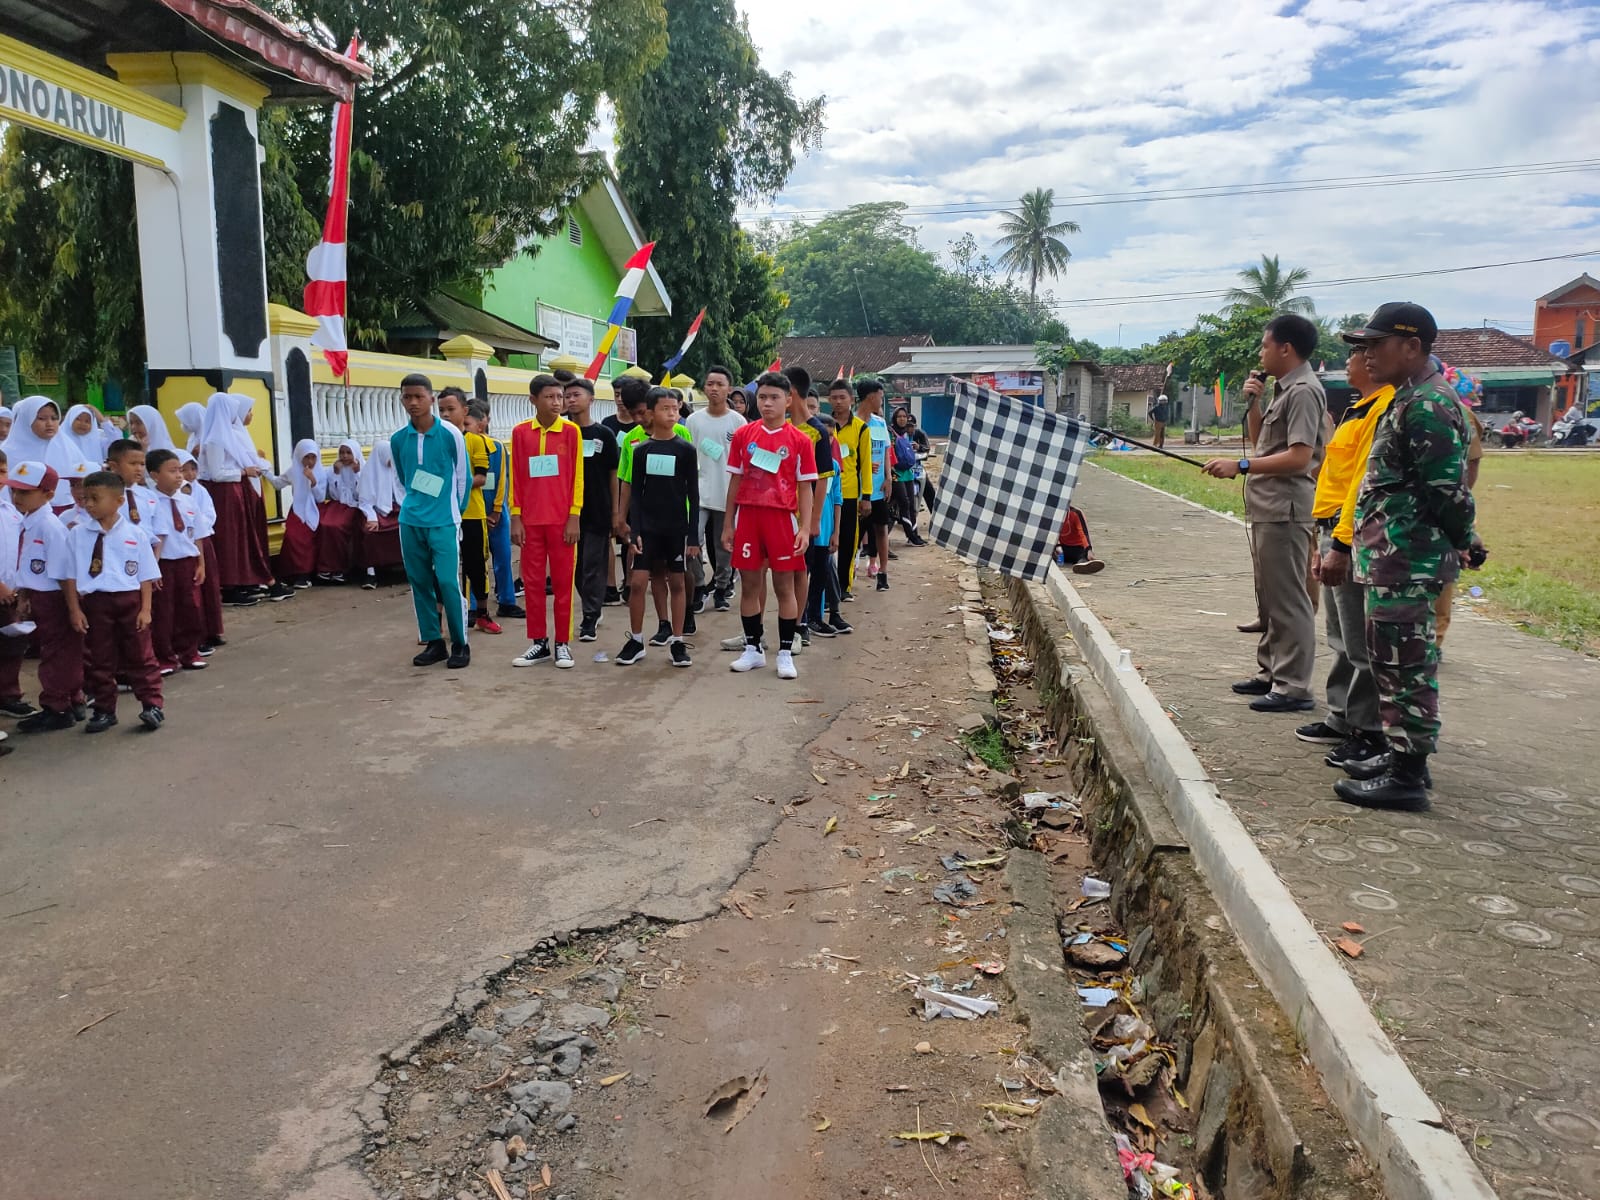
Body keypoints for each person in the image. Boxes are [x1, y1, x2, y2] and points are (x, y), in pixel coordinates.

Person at [1333, 303, 1475, 811]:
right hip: (1392, 558)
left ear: (1411, 347)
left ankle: (1408, 777)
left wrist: (1465, 537)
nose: (1366, 355)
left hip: (1409, 559)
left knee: (1406, 665)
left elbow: (1447, 490)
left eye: (1375, 345)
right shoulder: (1407, 398)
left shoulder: (1428, 405)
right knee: (1389, 662)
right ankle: (1399, 757)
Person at [1204, 313, 1328, 714]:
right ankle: (1270, 671)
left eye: (1265, 345)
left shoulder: (1305, 391)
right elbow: (1263, 445)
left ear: (1285, 349)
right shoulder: (1283, 390)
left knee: (1290, 599)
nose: (1261, 352)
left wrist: (1239, 467)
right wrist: (1254, 403)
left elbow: (1298, 457)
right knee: (1270, 597)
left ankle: (1293, 686)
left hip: (1287, 509)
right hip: (1268, 507)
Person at [1297, 350, 1396, 771]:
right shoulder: (1358, 410)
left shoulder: (1384, 408)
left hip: (1351, 534)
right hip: (1332, 528)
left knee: (1361, 642)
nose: (1353, 361)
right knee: (1340, 635)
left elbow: (1362, 484)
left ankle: (1367, 730)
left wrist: (1339, 542)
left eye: (1357, 354)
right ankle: (1341, 715)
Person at [722, 371, 816, 679]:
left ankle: (786, 653)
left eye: (774, 397)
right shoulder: (744, 435)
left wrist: (803, 528)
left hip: (781, 518)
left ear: (788, 400)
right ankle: (753, 649)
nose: (767, 403)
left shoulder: (800, 441)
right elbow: (735, 480)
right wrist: (728, 524)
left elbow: (805, 487)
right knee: (750, 585)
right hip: (748, 516)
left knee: (783, 586)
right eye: (762, 397)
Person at [61, 469, 165, 732]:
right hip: (95, 603)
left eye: (96, 498)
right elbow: (70, 575)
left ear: (119, 501)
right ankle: (105, 709)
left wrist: (146, 609)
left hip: (130, 601)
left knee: (141, 656)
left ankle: (152, 705)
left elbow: (146, 575)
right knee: (100, 658)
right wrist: (74, 610)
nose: (89, 504)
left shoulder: (137, 534)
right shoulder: (76, 535)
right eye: (86, 498)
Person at [390, 374, 472, 669]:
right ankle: (434, 641)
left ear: (431, 399)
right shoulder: (398, 440)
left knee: (449, 582)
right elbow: (402, 479)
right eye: (406, 397)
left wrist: (456, 514)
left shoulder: (450, 434)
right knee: (419, 581)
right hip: (411, 522)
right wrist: (410, 506)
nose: (412, 402)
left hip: (444, 522)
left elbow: (463, 476)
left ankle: (461, 643)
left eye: (418, 397)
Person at [616, 387, 700, 668]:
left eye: (676, 408)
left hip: (676, 527)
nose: (672, 413)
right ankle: (637, 640)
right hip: (647, 529)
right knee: (638, 583)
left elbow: (693, 494)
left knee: (677, 582)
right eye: (665, 409)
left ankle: (677, 641)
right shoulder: (641, 451)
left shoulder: (686, 450)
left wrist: (692, 534)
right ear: (650, 414)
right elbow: (636, 494)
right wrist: (634, 531)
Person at [509, 374, 584, 669]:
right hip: (530, 521)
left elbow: (577, 476)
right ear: (533, 400)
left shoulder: (570, 432)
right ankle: (538, 642)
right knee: (533, 583)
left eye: (560, 397)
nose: (557, 402)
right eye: (550, 397)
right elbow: (516, 476)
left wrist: (574, 515)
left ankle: (562, 643)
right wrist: (516, 517)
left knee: (564, 584)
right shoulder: (520, 433)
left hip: (562, 520)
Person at [6, 461, 85, 731]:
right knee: (59, 651)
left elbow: (64, 573)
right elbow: (29, 564)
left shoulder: (50, 526)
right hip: (40, 596)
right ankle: (73, 700)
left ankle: (57, 706)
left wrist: (73, 610)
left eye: (25, 492)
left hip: (56, 598)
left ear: (49, 495)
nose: (17, 498)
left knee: (57, 653)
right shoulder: (29, 521)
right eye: (14, 491)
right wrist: (26, 595)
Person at [197, 393, 291, 605]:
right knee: (230, 540)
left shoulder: (226, 436)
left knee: (240, 539)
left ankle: (240, 582)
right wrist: (243, 472)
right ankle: (229, 586)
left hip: (235, 492)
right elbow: (216, 473)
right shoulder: (214, 440)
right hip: (225, 494)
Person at [563, 376, 619, 643]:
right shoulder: (561, 432)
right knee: (574, 568)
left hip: (597, 508)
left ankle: (589, 618)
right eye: (568, 396)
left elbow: (613, 474)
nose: (571, 400)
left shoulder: (603, 434)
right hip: (566, 512)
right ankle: (591, 606)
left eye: (576, 395)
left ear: (591, 399)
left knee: (592, 566)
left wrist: (616, 511)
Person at [438, 388, 498, 634]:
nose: (445, 414)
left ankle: (482, 613)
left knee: (476, 564)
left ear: (465, 411)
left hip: (471, 513)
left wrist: (450, 484)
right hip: (442, 515)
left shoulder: (475, 441)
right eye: (441, 410)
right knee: (442, 568)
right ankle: (439, 621)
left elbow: (481, 478)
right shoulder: (435, 439)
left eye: (451, 409)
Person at [686, 365, 745, 613]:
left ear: (728, 389)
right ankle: (699, 586)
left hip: (727, 494)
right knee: (691, 543)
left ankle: (721, 588)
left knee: (724, 547)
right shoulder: (693, 420)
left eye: (719, 384)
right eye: (710, 384)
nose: (714, 388)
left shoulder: (738, 422)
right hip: (698, 493)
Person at [145, 447, 207, 676]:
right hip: (164, 564)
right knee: (164, 611)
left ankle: (189, 652)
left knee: (190, 608)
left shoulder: (188, 502)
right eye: (172, 471)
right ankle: (165, 656)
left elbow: (197, 535)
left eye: (180, 470)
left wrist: (201, 563)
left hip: (187, 562)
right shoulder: (150, 503)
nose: (179, 475)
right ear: (154, 475)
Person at [470, 401, 522, 622]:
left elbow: (502, 480)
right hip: (473, 513)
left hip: (497, 512)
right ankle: (473, 606)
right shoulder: (463, 448)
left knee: (503, 557)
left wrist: (498, 510)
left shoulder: (497, 448)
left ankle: (507, 601)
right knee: (475, 562)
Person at [803, 415, 851, 637]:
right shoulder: (801, 463)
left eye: (832, 436)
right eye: (825, 436)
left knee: (820, 578)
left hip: (825, 531)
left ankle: (815, 618)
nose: (828, 440)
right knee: (801, 577)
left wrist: (836, 532)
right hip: (804, 532)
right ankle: (800, 621)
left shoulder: (833, 466)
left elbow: (838, 499)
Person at [177, 450, 225, 652]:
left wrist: (197, 527)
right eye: (183, 470)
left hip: (202, 542)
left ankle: (212, 630)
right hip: (182, 546)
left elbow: (208, 514)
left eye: (192, 469)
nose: (189, 474)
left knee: (209, 588)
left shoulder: (201, 491)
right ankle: (197, 636)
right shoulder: (173, 495)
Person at [829, 378, 872, 599]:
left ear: (851, 400)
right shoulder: (824, 426)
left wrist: (867, 497)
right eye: (834, 398)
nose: (838, 402)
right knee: (825, 544)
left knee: (848, 541)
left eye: (842, 397)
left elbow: (865, 465)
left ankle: (844, 587)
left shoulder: (861, 429)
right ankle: (825, 587)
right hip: (826, 496)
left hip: (850, 495)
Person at [271, 439, 328, 588]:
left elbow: (320, 497)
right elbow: (278, 483)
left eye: (313, 457)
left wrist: (313, 481)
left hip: (315, 509)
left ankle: (305, 574)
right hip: (297, 510)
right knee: (292, 537)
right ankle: (291, 573)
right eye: (306, 457)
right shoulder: (294, 471)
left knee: (308, 538)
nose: (310, 461)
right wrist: (265, 471)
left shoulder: (321, 473)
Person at [855, 378, 894, 591]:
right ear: (871, 396)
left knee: (881, 529)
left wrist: (888, 478)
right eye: (880, 396)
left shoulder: (879, 423)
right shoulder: (852, 423)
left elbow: (886, 451)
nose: (882, 400)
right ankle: (849, 572)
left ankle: (883, 573)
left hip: (879, 488)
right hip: (858, 490)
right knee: (855, 533)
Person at [316, 438, 367, 584]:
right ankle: (326, 568)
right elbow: (334, 494)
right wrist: (337, 474)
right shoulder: (333, 470)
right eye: (342, 453)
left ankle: (340, 568)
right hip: (338, 505)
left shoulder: (363, 468)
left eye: (348, 453)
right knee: (324, 524)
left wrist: (357, 473)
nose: (344, 456)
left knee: (337, 526)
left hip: (356, 506)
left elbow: (361, 493)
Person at [357, 438, 406, 588]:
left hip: (398, 509)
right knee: (370, 532)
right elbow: (364, 501)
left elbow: (406, 493)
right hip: (377, 511)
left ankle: (409, 568)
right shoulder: (369, 472)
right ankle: (371, 573)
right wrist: (372, 518)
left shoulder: (398, 470)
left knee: (410, 528)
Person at [889, 407, 927, 545]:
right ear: (895, 418)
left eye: (904, 416)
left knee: (912, 505)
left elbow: (924, 448)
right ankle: (910, 535)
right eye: (899, 416)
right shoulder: (890, 433)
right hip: (895, 474)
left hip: (908, 473)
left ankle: (915, 535)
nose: (902, 419)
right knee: (904, 503)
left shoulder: (906, 434)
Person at [1056, 505, 1105, 573]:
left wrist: (1089, 550)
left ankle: (1084, 564)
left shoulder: (1076, 513)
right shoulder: (1051, 513)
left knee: (1082, 557)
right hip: (1061, 549)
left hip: (1078, 548)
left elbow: (1083, 533)